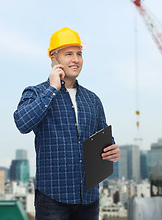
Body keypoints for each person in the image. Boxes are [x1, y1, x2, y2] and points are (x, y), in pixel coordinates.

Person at [13, 27, 120, 220]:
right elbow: (22, 123)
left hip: (88, 198)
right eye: (68, 54)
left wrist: (112, 150)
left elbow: (104, 138)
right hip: (53, 199)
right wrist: (53, 88)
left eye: (79, 54)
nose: (76, 59)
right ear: (54, 58)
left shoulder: (92, 99)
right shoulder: (36, 93)